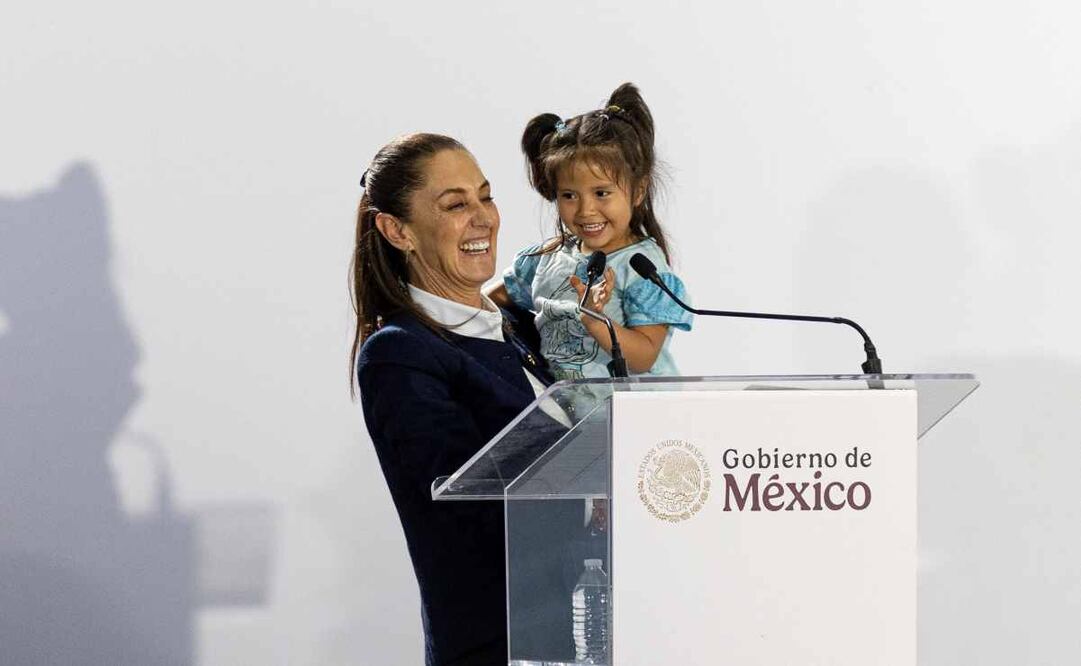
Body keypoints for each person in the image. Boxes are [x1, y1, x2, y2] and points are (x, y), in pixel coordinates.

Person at [351, 133, 572, 665]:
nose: (483, 218)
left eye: (486, 197)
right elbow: (466, 516)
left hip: (587, 635)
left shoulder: (522, 327)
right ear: (397, 230)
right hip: (503, 647)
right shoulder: (400, 355)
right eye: (455, 204)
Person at [489, 82, 694, 381]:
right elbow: (485, 302)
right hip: (571, 418)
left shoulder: (640, 268)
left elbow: (643, 357)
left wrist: (595, 321)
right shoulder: (545, 259)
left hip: (637, 417)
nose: (585, 210)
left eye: (601, 193)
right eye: (569, 195)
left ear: (638, 190)